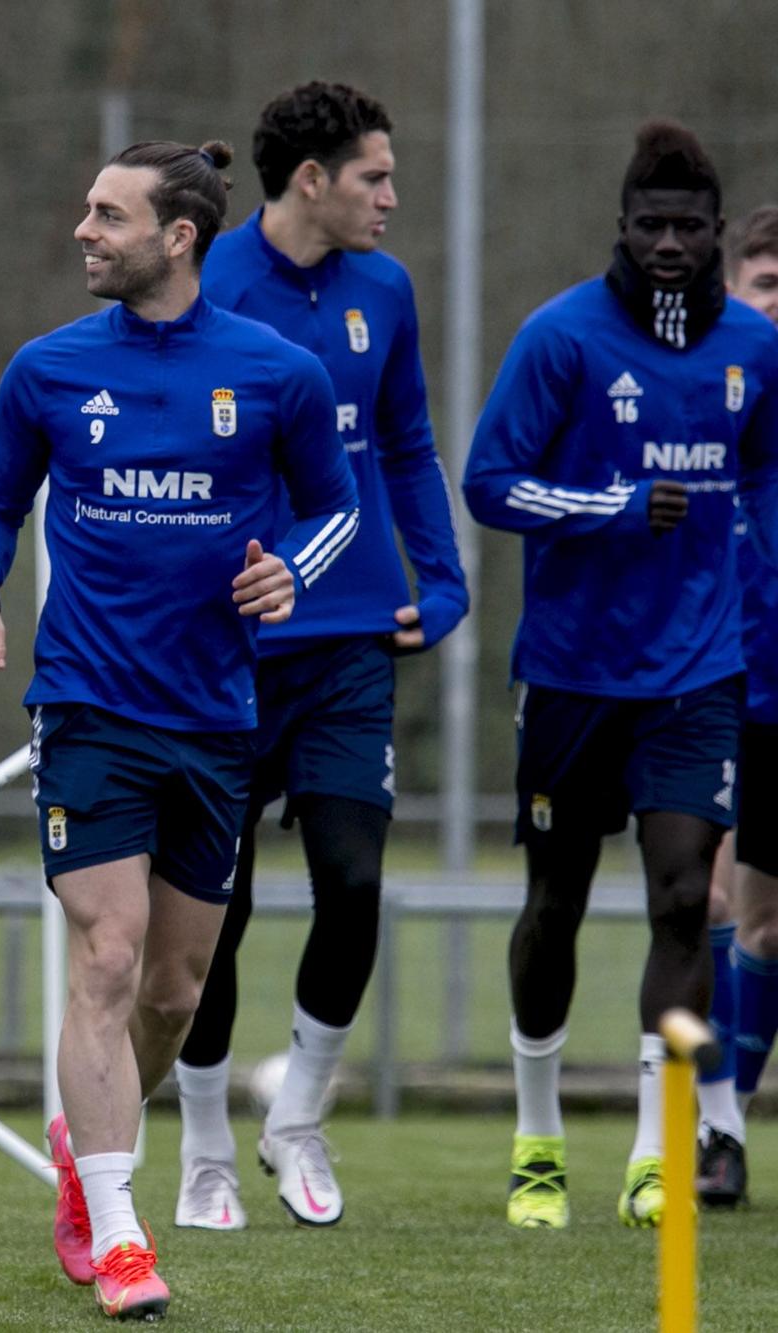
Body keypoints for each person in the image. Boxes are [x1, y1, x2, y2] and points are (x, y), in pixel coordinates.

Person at [0, 139, 357, 1320]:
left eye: (106, 214)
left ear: (176, 237)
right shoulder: (47, 369)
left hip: (216, 718)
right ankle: (122, 1234)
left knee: (172, 990)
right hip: (85, 705)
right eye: (83, 209)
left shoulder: (274, 373)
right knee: (106, 955)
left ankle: (90, 1151)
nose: (82, 229)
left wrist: (289, 574)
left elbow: (334, 506)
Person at [463, 121, 778, 1230]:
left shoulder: (751, 345)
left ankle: (654, 1151)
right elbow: (487, 482)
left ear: (710, 232)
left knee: (688, 897)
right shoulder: (561, 337)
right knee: (553, 904)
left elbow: (758, 466)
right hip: (570, 671)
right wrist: (601, 506)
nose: (667, 243)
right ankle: (536, 1141)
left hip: (696, 671)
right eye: (649, 224)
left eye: (688, 226)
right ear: (621, 225)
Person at [169, 81, 467, 1232]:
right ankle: (200, 1145)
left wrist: (438, 583)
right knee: (217, 909)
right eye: (373, 177)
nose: (390, 196)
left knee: (350, 884)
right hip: (227, 652)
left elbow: (403, 442)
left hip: (347, 641)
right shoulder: (210, 284)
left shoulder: (382, 291)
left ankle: (293, 1115)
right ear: (312, 181)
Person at [697, 202, 778, 1207]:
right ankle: (722, 1130)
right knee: (730, 909)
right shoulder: (706, 398)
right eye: (764, 287)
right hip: (722, 683)